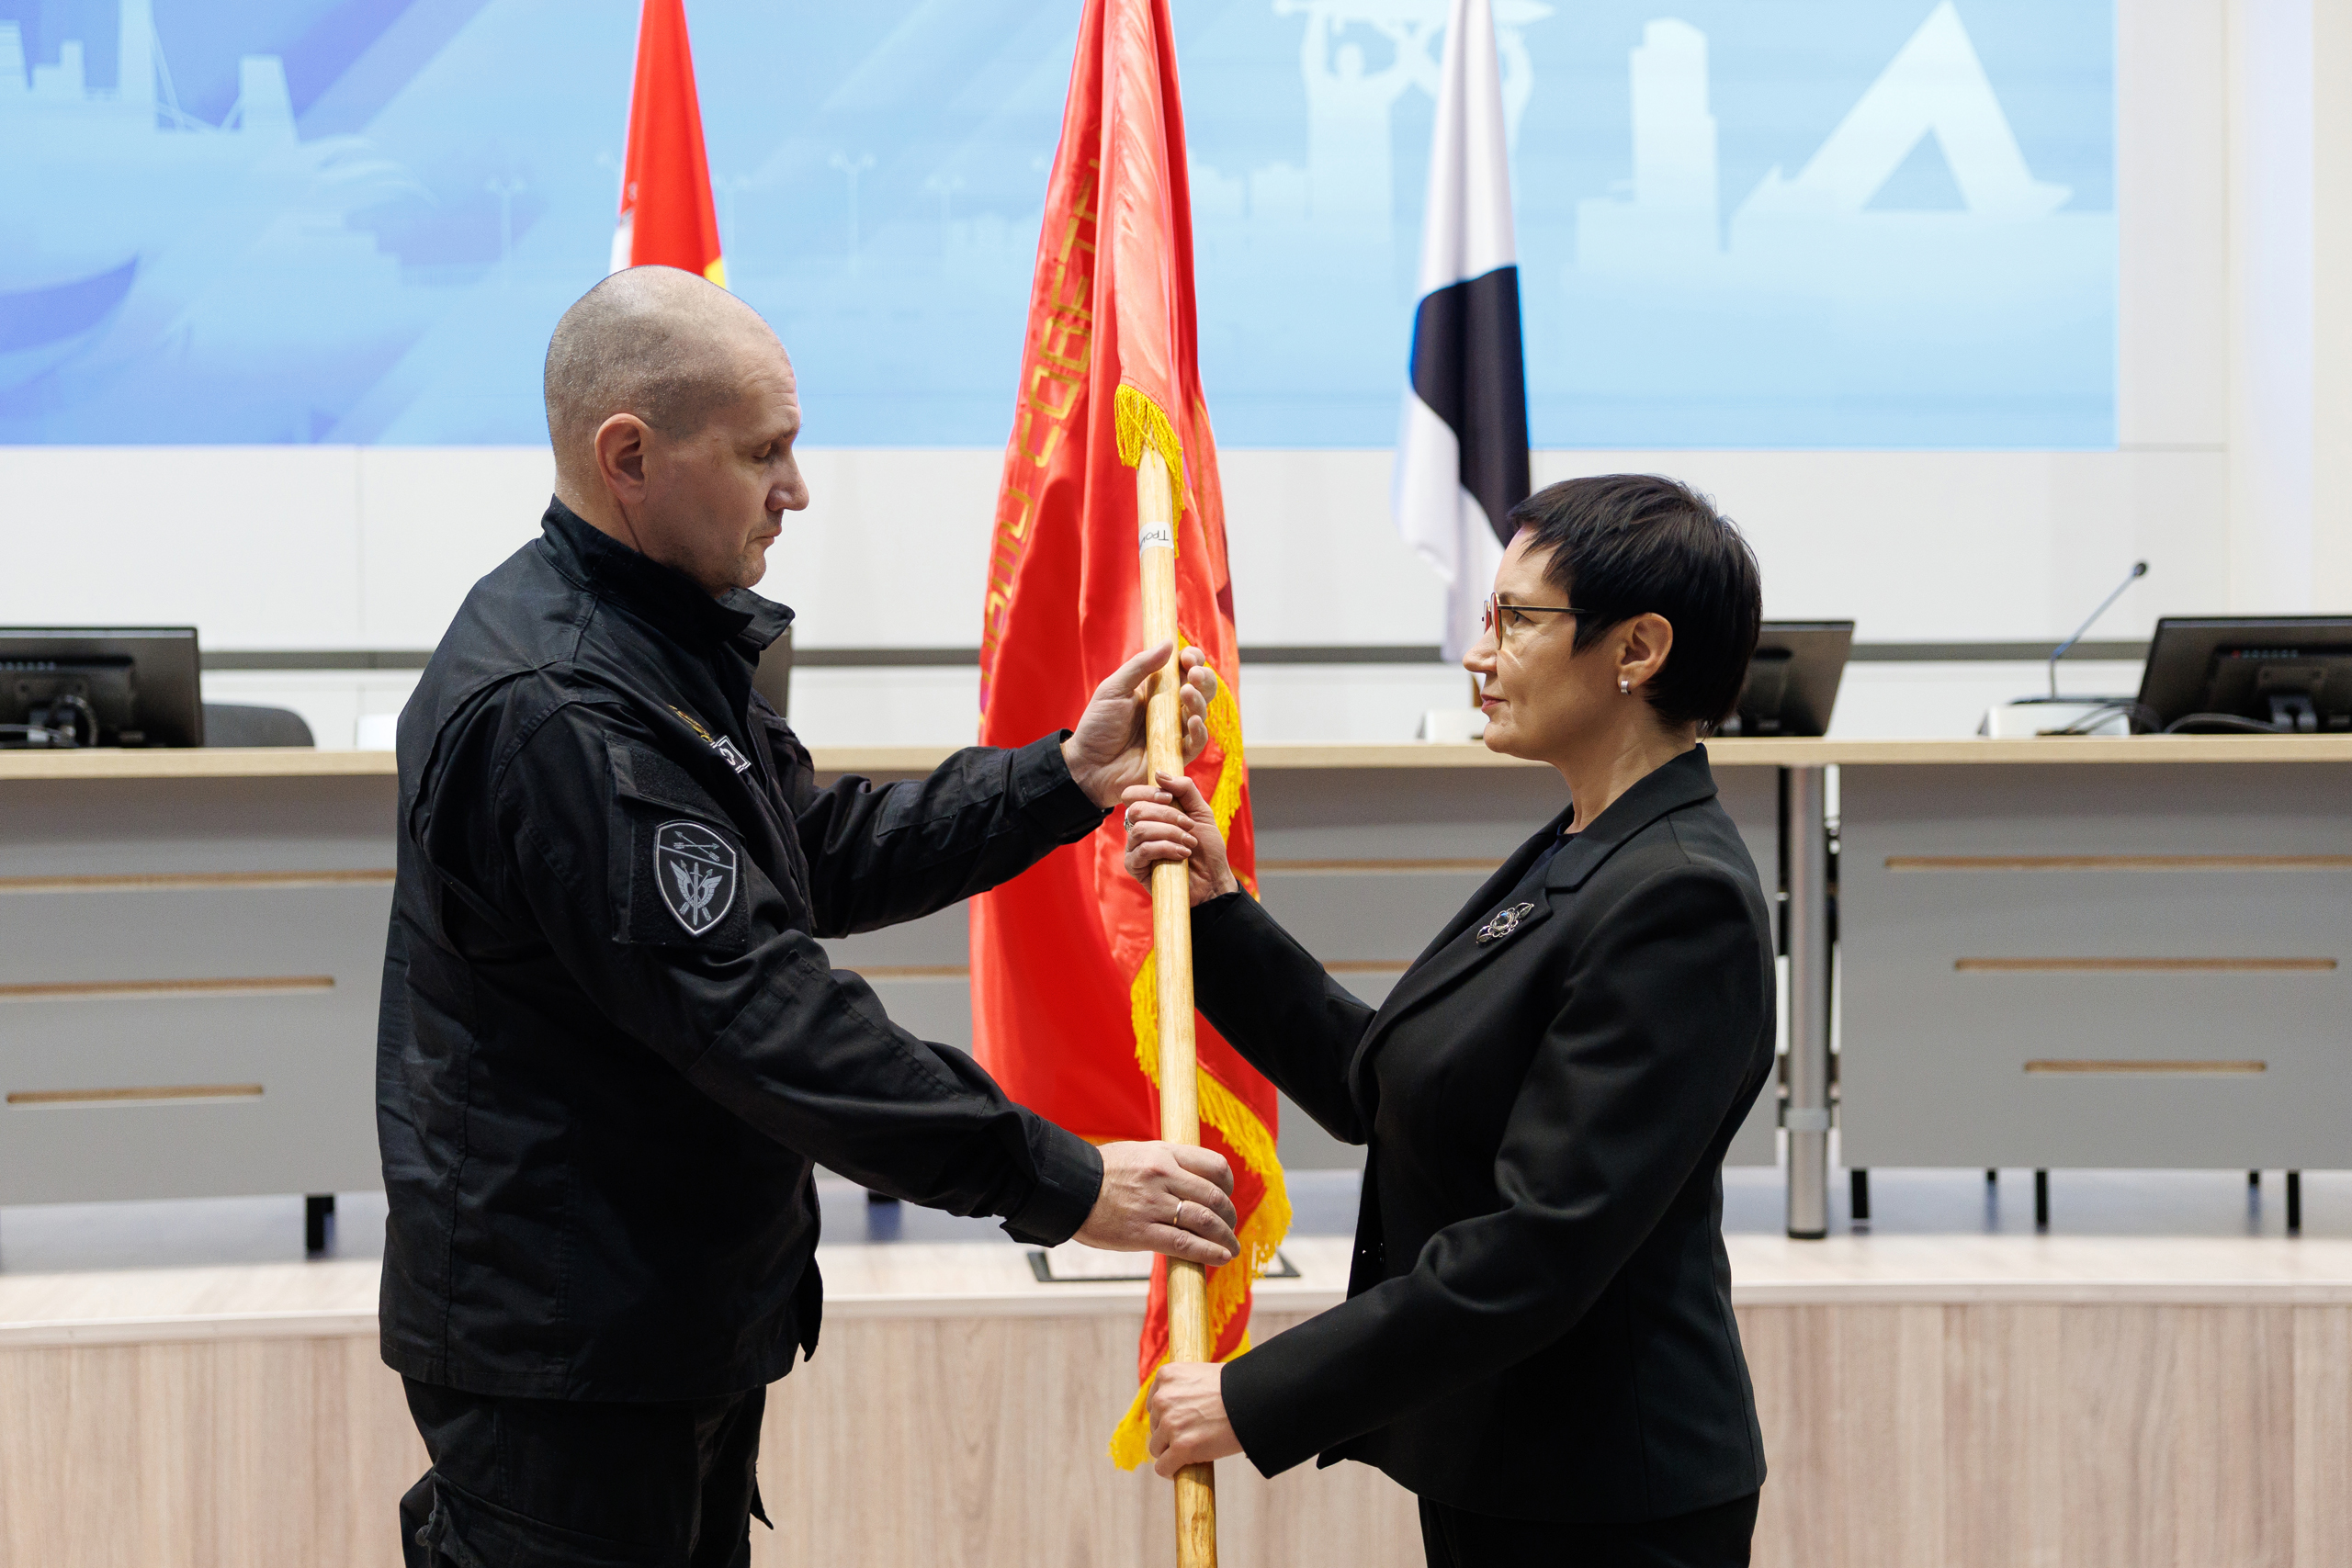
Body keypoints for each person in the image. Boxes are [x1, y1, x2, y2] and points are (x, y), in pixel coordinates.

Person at [379, 265, 1240, 1568]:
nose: (796, 489)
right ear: (630, 457)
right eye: (763, 452)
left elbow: (808, 855)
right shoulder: (562, 704)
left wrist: (1062, 776)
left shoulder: (657, 635)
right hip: (568, 1347)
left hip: (655, 1313)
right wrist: (1060, 1178)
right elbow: (764, 1017)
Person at [1129, 474, 1775, 1567]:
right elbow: (1396, 1087)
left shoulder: (1678, 898)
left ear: (1637, 650)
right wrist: (1217, 912)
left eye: (1515, 620)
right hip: (1510, 1465)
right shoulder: (1586, 846)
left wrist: (1255, 1394)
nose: (1479, 655)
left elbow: (1540, 1246)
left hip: (1610, 1499)